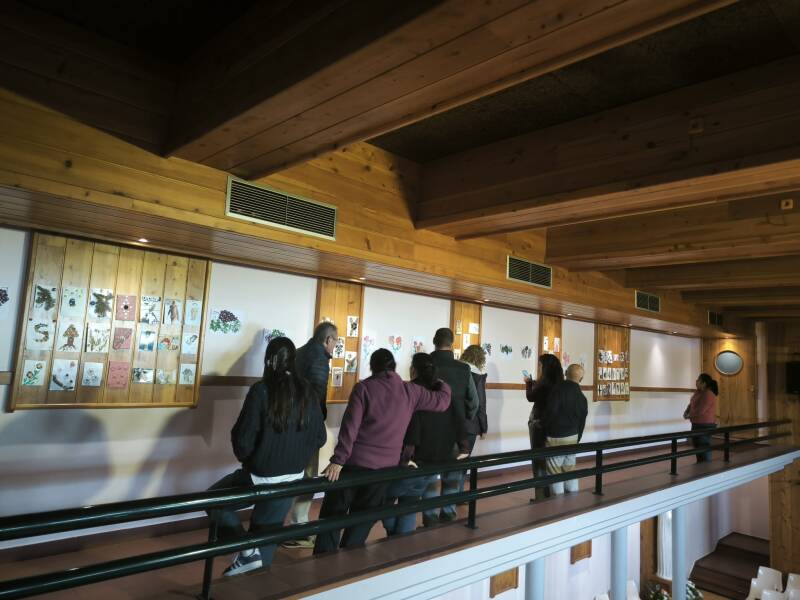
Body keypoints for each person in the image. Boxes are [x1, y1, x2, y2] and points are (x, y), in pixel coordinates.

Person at [207, 337, 326, 576]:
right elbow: (320, 437)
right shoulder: (308, 392)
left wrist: (252, 460)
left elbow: (243, 439)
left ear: (269, 360)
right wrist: (298, 458)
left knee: (213, 501)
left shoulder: (261, 390)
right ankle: (256, 573)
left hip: (261, 474)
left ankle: (246, 549)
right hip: (293, 476)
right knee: (266, 535)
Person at [313, 349, 451, 554]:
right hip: (384, 470)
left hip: (353, 464)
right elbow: (443, 401)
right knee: (363, 518)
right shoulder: (410, 391)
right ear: (394, 367)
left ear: (372, 367)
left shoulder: (364, 388)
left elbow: (350, 427)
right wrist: (439, 381)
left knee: (333, 515)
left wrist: (338, 460)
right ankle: (349, 556)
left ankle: (324, 557)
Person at [383, 353, 467, 536]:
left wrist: (406, 456)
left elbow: (410, 426)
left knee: (385, 498)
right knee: (410, 500)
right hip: (438, 456)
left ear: (413, 370)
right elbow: (459, 419)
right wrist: (464, 447)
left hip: (413, 457)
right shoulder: (444, 391)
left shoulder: (410, 391)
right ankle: (403, 540)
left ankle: (396, 535)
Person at [282, 321, 337, 549]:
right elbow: (317, 396)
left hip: (289, 423)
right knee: (307, 476)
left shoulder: (300, 352)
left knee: (290, 474)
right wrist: (319, 422)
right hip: (307, 427)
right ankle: (299, 530)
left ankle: (284, 525)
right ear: (328, 340)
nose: (334, 347)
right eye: (335, 342)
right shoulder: (319, 359)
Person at [427, 328, 479, 524]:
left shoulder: (426, 365)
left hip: (429, 430)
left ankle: (429, 516)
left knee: (430, 476)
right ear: (452, 343)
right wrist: (465, 418)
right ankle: (448, 512)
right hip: (457, 430)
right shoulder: (463, 369)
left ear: (434, 341)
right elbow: (474, 401)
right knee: (453, 475)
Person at [543, 364, 589, 495]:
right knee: (570, 469)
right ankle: (573, 498)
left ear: (566, 373)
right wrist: (577, 438)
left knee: (555, 471)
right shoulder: (582, 397)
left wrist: (545, 431)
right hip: (573, 436)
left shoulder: (556, 390)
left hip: (555, 436)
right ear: (581, 379)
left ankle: (558, 501)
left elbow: (549, 413)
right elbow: (582, 421)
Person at [525, 353, 564, 500]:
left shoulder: (544, 385)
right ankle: (553, 493)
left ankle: (541, 495)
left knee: (538, 460)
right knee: (551, 461)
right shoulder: (559, 384)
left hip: (538, 423)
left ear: (545, 367)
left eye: (540, 365)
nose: (539, 367)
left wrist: (529, 384)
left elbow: (531, 397)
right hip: (553, 424)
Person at [684, 373, 719, 463]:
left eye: (698, 380)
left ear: (704, 383)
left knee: (703, 446)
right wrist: (686, 411)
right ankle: (700, 464)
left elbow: (701, 410)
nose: (696, 381)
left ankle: (706, 466)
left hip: (705, 425)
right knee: (697, 446)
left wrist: (689, 415)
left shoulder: (708, 394)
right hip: (696, 424)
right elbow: (691, 403)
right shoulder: (698, 392)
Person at [460, 344, 489, 453]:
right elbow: (481, 404)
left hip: (452, 422)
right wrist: (484, 428)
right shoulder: (477, 376)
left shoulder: (457, 370)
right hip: (470, 425)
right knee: (464, 459)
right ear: (480, 359)